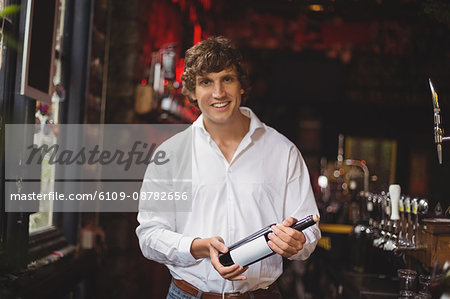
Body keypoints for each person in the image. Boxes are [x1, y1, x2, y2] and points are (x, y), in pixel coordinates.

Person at [136, 36, 320, 299]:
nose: (218, 93)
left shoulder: (283, 151)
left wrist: (297, 243)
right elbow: (149, 235)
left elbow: (310, 229)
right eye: (206, 82)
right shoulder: (170, 154)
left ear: (242, 85)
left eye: (227, 79)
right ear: (192, 92)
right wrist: (198, 247)